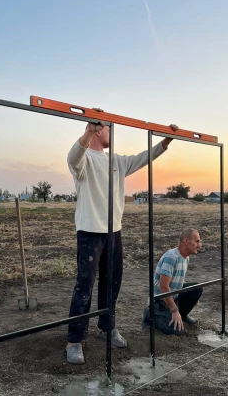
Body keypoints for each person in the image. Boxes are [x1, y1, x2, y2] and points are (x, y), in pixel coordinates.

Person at [66, 116, 178, 364]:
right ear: (96, 130)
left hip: (114, 231)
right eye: (106, 127)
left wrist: (166, 141)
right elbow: (73, 158)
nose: (110, 132)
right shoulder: (84, 158)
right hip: (89, 232)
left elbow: (143, 157)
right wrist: (87, 131)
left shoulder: (116, 160)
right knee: (85, 285)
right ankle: (75, 339)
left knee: (112, 283)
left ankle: (107, 327)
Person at [142, 228, 203, 335]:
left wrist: (191, 297)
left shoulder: (185, 258)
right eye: (197, 241)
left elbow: (178, 279)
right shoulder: (171, 257)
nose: (199, 245)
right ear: (186, 241)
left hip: (173, 297)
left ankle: (182, 315)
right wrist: (174, 310)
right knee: (177, 331)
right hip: (159, 302)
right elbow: (163, 286)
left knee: (196, 288)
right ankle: (149, 316)